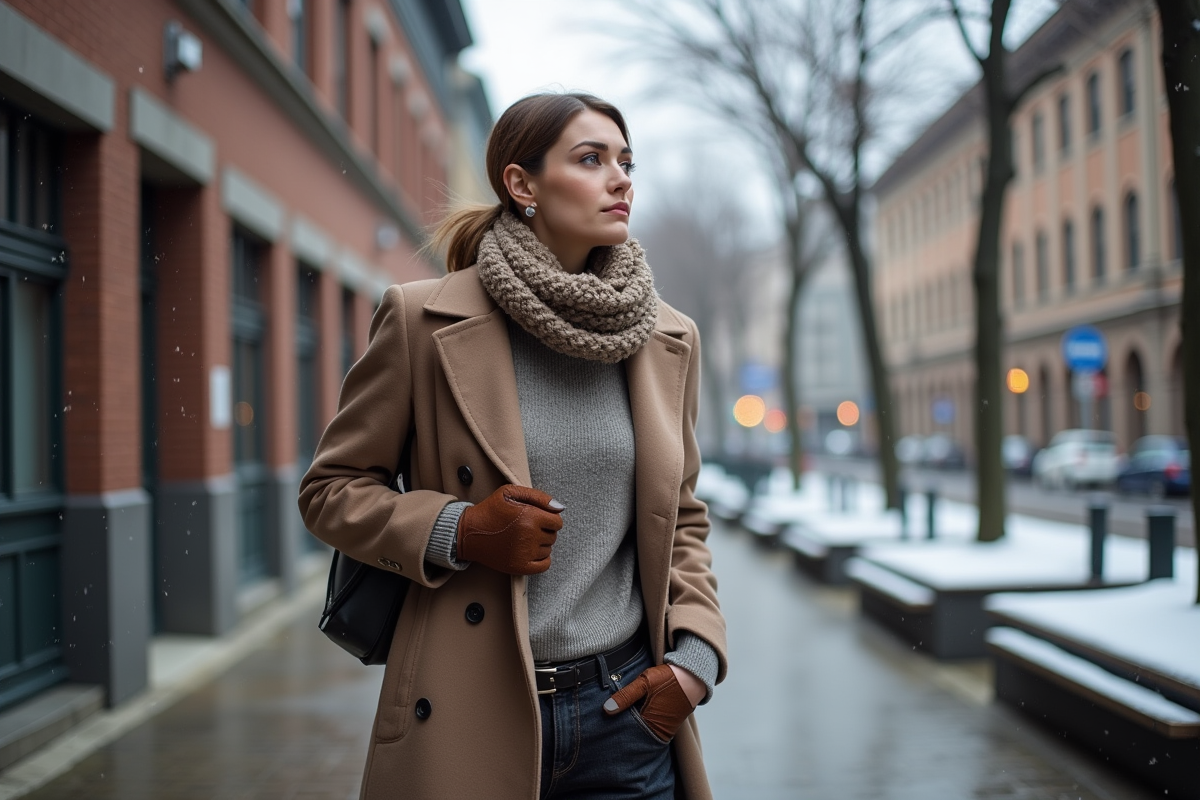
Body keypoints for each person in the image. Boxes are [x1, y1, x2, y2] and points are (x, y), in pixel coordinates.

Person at [298, 92, 726, 800]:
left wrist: (695, 660)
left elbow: (681, 517)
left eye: (627, 161)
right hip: (468, 707)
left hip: (627, 717)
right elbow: (332, 490)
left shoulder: (666, 339)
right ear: (521, 184)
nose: (621, 179)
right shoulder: (421, 321)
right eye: (591, 159)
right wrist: (458, 528)